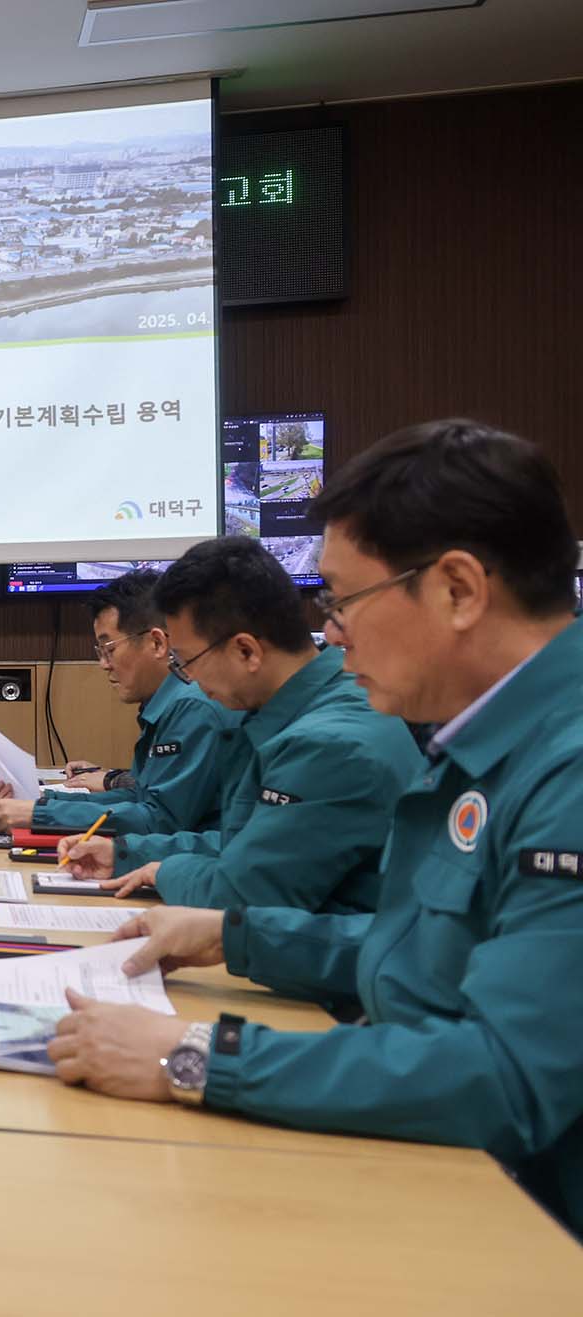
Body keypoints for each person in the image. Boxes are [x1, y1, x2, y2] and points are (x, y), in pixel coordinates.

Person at [49, 420, 583, 1237]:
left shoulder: (565, 770)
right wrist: (239, 934)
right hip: (441, 1160)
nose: (331, 631)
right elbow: (421, 953)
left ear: (459, 590)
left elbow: (503, 1080)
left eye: (344, 600)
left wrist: (192, 1055)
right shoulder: (477, 739)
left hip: (520, 1220)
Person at [57, 537, 422, 913]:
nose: (189, 681)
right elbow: (247, 845)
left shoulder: (325, 744)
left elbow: (244, 894)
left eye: (186, 661)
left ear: (246, 651)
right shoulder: (294, 709)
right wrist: (129, 853)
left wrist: (162, 872)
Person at [0, 570, 243, 836]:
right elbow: (140, 797)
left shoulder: (192, 707)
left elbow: (159, 820)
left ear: (157, 643)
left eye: (110, 649)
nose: (103, 664)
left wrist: (36, 814)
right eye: (100, 652)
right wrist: (40, 803)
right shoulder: (168, 703)